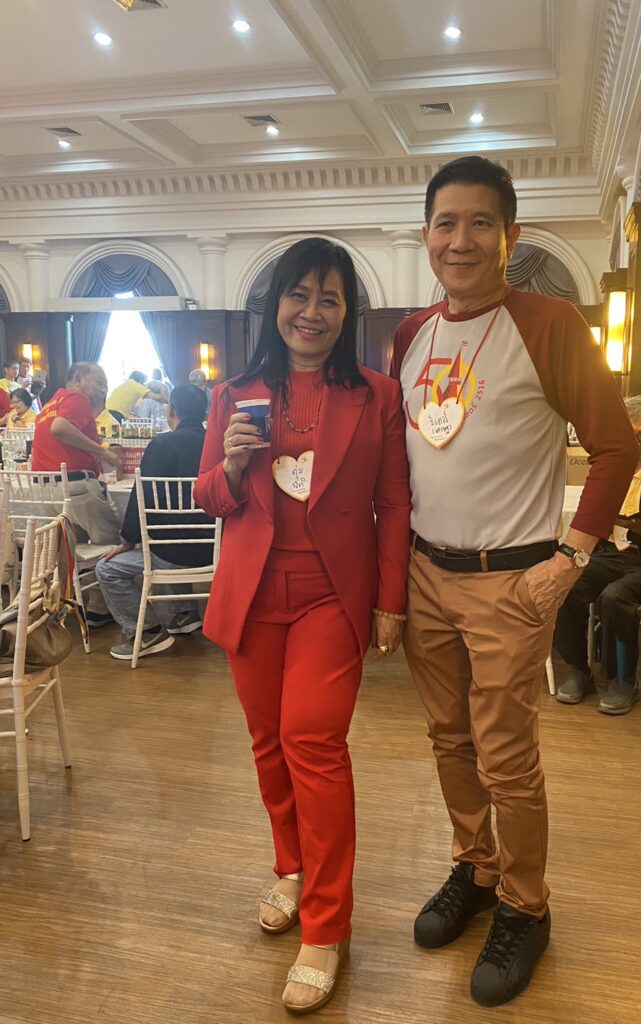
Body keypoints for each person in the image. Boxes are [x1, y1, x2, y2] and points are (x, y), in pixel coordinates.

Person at [390, 156, 638, 1008]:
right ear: (426, 235)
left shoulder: (549, 323)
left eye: (480, 223)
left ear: (510, 236)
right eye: (445, 223)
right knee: (447, 739)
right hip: (425, 571)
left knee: (506, 756)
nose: (460, 240)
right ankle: (478, 867)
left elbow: (616, 447)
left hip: (510, 580)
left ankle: (527, 907)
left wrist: (569, 559)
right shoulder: (410, 334)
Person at [194, 237, 410, 1014]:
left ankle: (325, 925)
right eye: (299, 294)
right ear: (275, 305)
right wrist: (230, 466)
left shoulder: (377, 396)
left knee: (312, 742)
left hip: (330, 595)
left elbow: (394, 504)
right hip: (252, 593)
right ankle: (290, 865)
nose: (311, 312)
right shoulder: (236, 392)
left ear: (347, 312)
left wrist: (391, 602)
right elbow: (210, 498)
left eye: (329, 298)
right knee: (267, 742)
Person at [554, 395, 641, 713]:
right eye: (630, 432)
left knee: (615, 598)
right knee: (565, 584)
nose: (636, 441)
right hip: (609, 552)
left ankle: (622, 681)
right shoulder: (610, 464)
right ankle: (578, 670)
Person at [96, 385, 212, 661]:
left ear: (170, 410)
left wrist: (128, 540)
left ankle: (148, 632)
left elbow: (141, 500)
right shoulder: (216, 445)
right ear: (205, 413)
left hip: (171, 555)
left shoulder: (161, 445)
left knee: (107, 568)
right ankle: (184, 615)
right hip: (216, 551)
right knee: (170, 539)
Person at [31, 361, 123, 625]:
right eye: (99, 382)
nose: (103, 388)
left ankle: (74, 600)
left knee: (72, 545)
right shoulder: (77, 398)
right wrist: (102, 451)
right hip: (75, 486)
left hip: (46, 490)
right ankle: (101, 607)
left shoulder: (49, 405)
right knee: (112, 540)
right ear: (78, 379)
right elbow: (59, 428)